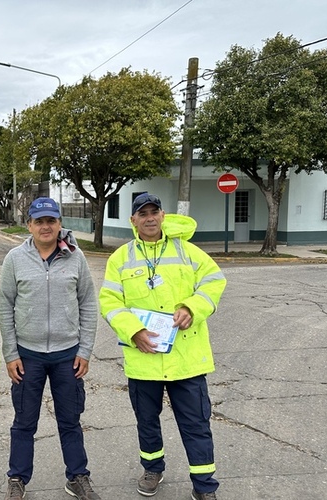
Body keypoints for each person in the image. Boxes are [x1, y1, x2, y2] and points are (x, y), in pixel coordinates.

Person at [98, 193, 226, 500]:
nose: (150, 217)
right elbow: (109, 301)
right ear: (134, 220)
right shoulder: (121, 258)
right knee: (147, 422)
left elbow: (214, 281)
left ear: (163, 215)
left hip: (187, 358)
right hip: (144, 358)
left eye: (154, 211)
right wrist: (133, 331)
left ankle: (204, 486)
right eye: (143, 213)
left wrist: (193, 307)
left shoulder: (188, 251)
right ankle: (153, 469)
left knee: (196, 423)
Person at [0, 197, 101, 500]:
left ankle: (77, 476)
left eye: (51, 221)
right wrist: (10, 354)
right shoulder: (15, 258)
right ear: (29, 225)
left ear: (59, 224)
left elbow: (88, 304)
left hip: (67, 355)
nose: (46, 226)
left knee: (70, 420)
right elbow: (6, 306)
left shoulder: (76, 257)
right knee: (24, 422)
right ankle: (17, 478)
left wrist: (85, 350)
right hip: (27, 356)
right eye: (39, 221)